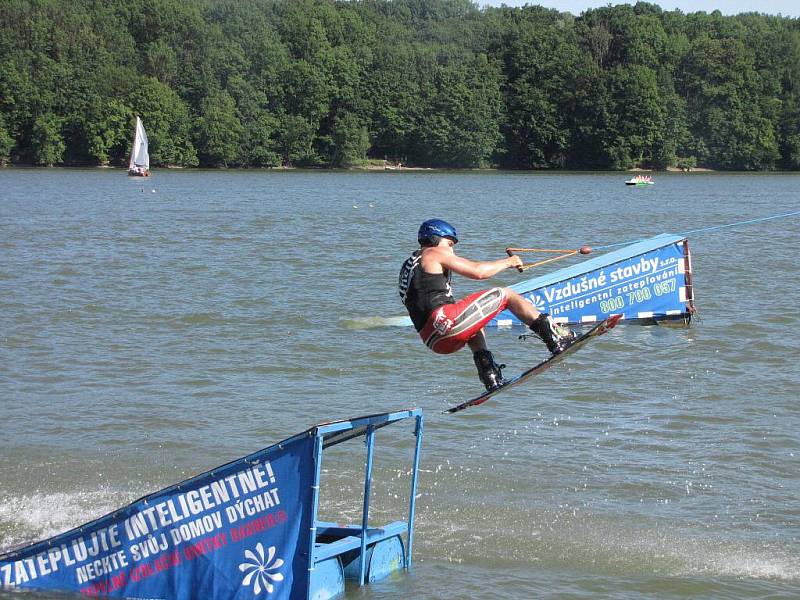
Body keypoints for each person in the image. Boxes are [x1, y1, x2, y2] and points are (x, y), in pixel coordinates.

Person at [399, 219, 575, 391]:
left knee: (475, 319)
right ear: (435, 239)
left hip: (434, 341)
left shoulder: (408, 267)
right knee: (506, 294)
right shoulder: (432, 252)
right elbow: (478, 272)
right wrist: (509, 262)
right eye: (450, 244)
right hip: (447, 323)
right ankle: (555, 337)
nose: (452, 251)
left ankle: (489, 374)